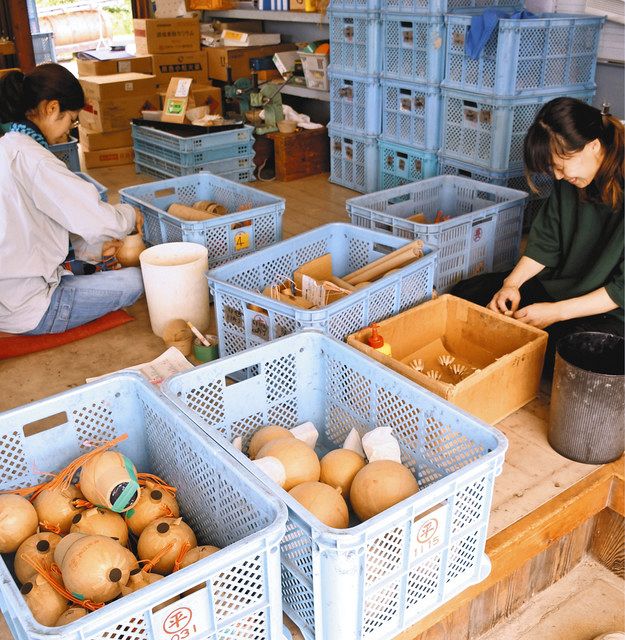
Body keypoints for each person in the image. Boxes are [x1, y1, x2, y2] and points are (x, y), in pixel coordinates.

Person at [451, 97, 624, 375]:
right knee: (467, 297)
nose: (557, 177)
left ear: (593, 146)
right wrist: (511, 284)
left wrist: (556, 312)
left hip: (612, 309)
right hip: (563, 284)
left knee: (560, 355)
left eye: (560, 166)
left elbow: (621, 290)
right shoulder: (573, 177)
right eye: (552, 169)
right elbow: (546, 242)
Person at [0, 63, 145, 335]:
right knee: (136, 280)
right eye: (71, 119)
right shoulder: (36, 161)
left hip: (7, 293)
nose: (70, 130)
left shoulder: (7, 146)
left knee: (95, 259)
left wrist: (87, 252)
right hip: (30, 307)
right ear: (51, 108)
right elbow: (100, 221)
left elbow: (27, 231)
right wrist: (129, 214)